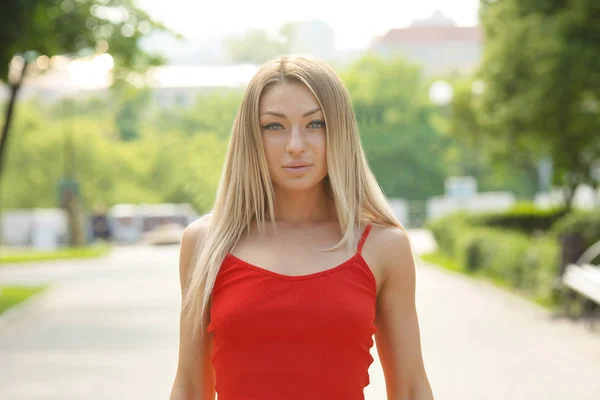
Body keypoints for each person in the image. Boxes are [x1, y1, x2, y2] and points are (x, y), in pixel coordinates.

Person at [170, 55, 434, 400]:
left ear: (340, 132)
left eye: (316, 124)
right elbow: (190, 387)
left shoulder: (383, 246)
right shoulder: (206, 243)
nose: (296, 145)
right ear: (252, 136)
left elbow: (411, 389)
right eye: (274, 126)